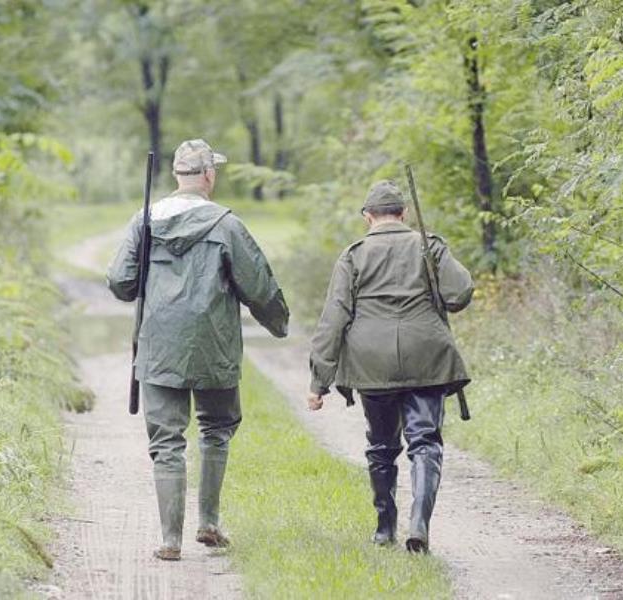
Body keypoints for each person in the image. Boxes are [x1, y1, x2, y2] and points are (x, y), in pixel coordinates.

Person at [107, 139, 289, 561]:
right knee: (216, 429)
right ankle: (208, 522)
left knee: (167, 441)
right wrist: (279, 323)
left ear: (177, 175)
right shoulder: (226, 224)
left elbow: (120, 281)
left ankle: (170, 540)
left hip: (159, 347)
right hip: (214, 347)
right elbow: (258, 285)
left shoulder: (145, 219)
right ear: (208, 176)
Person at [307, 180, 473, 554]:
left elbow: (334, 318)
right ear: (404, 213)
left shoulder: (353, 256)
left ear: (368, 217)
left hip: (371, 362)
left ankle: (385, 528)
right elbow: (459, 293)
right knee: (425, 441)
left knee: (381, 445)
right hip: (427, 355)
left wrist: (319, 381)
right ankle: (420, 523)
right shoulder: (429, 245)